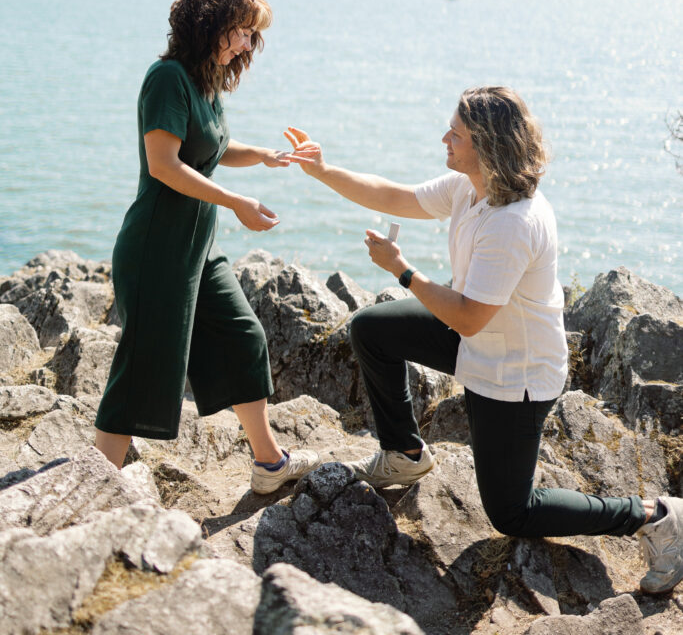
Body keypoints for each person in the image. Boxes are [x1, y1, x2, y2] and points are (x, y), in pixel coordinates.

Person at [284, 86, 683, 594]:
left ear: (488, 145)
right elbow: (396, 196)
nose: (445, 137)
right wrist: (322, 171)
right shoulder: (469, 187)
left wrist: (402, 271)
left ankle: (656, 517)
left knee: (512, 513)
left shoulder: (514, 222)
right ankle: (405, 454)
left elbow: (470, 318)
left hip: (514, 372)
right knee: (372, 329)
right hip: (475, 340)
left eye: (458, 132)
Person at [95, 0, 318, 494]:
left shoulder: (203, 82)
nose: (246, 44)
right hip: (157, 249)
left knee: (243, 337)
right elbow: (165, 165)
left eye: (251, 34)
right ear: (209, 22)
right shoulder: (167, 78)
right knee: (144, 369)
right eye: (240, 29)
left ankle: (269, 464)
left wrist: (262, 155)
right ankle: (98, 487)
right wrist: (236, 201)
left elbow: (210, 148)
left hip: (197, 249)